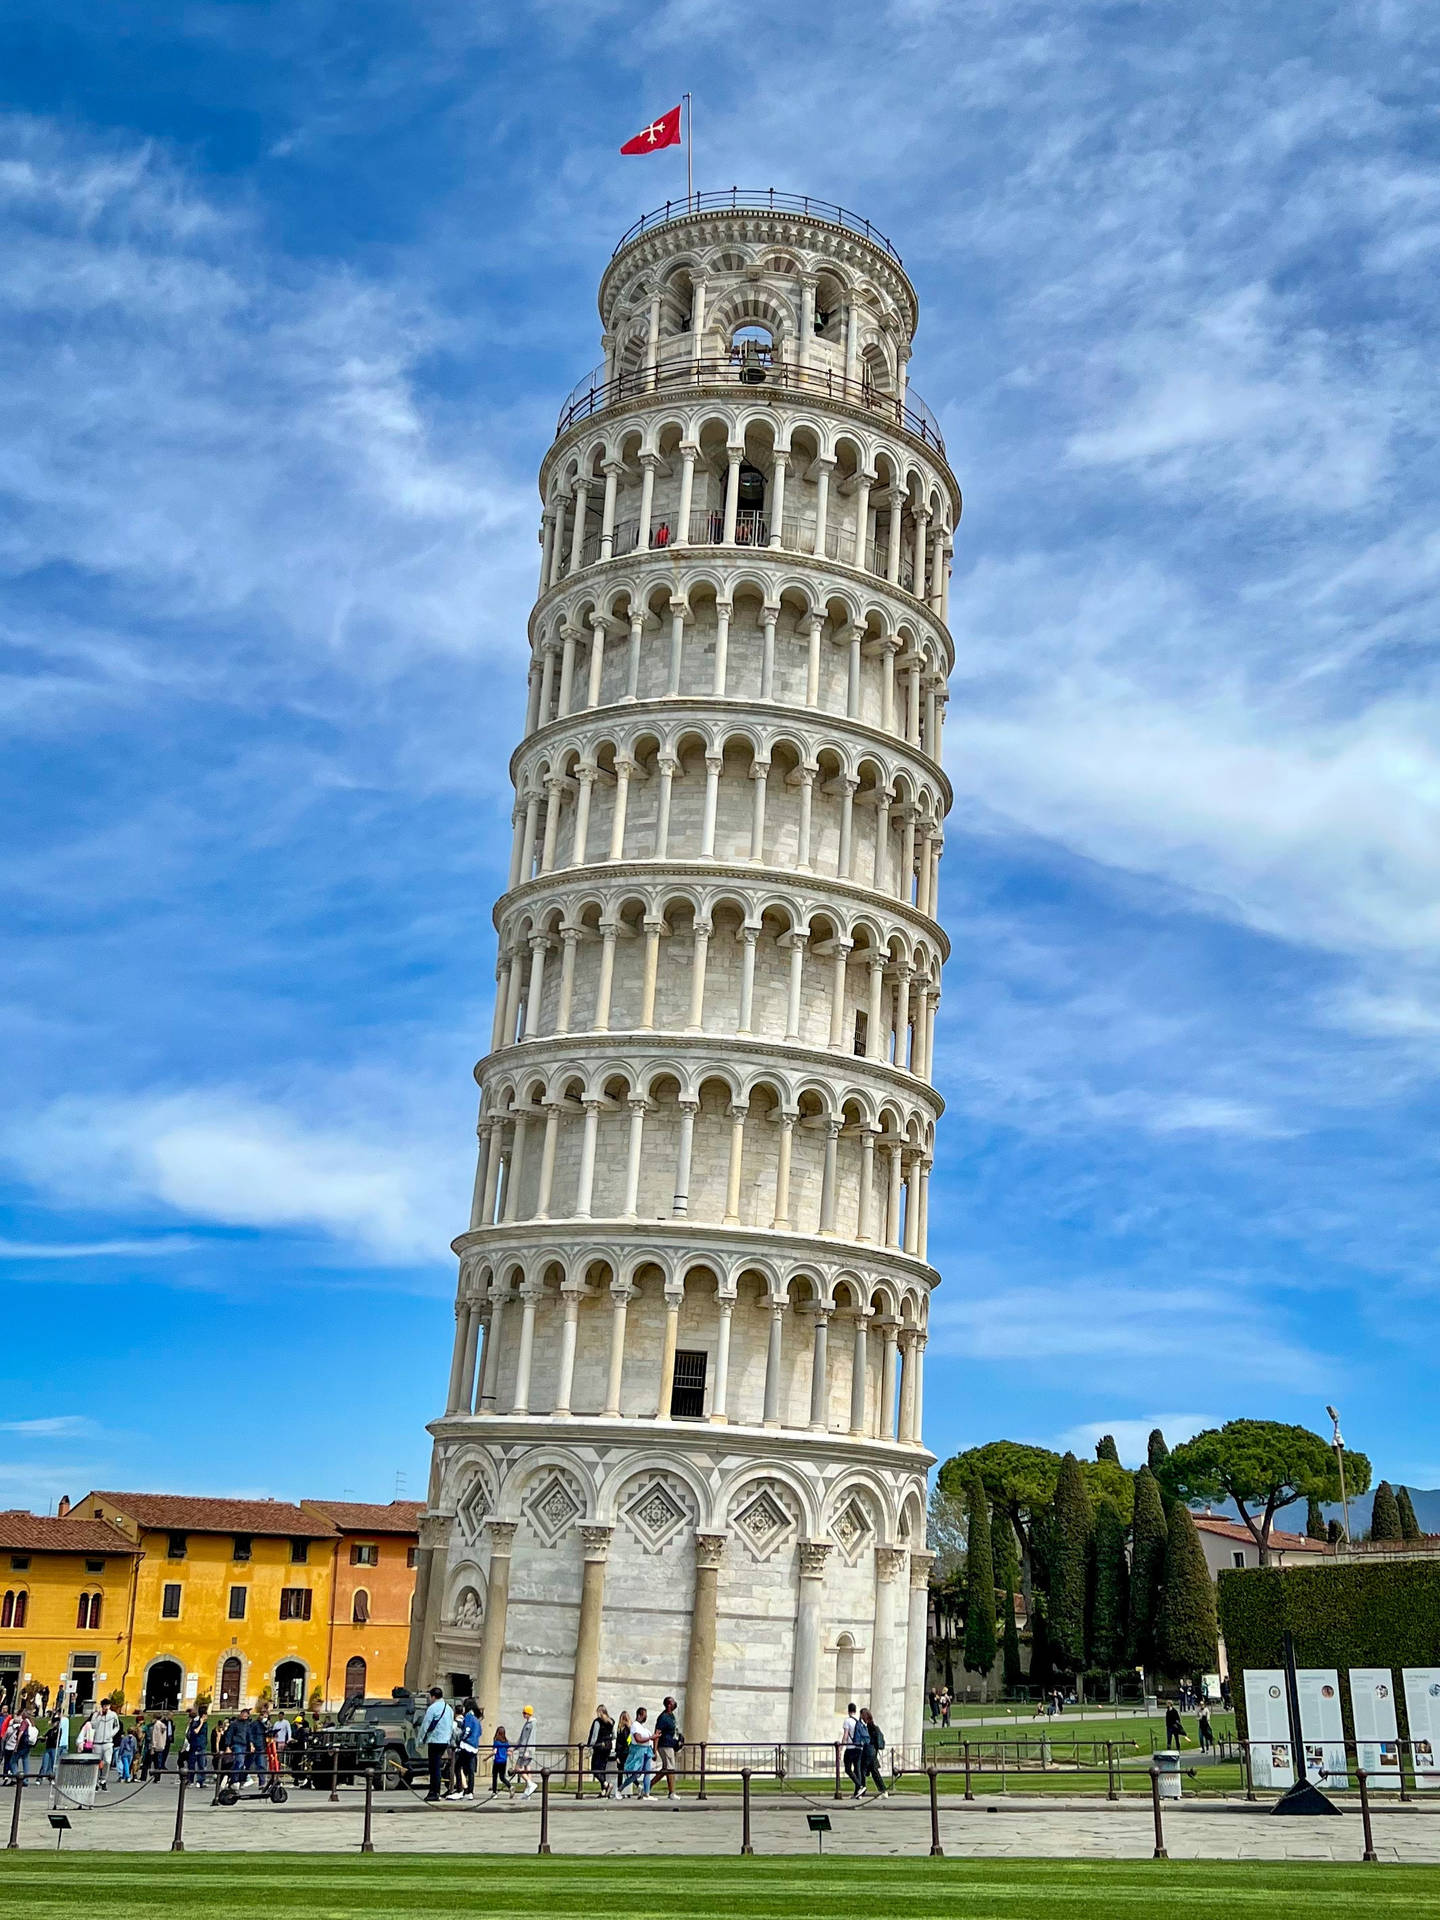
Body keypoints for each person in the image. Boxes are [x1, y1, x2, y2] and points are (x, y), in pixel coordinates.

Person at [418, 1687, 455, 1802]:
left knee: (434, 1768)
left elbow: (425, 1725)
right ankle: (436, 1791)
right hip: (445, 1741)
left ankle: (434, 1792)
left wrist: (420, 1740)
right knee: (437, 1766)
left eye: (430, 1696)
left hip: (434, 1740)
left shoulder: (432, 1708)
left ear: (433, 1696)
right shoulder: (449, 1708)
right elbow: (451, 1726)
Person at [449, 1699, 482, 1799]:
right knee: (470, 1770)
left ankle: (460, 1790)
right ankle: (470, 1792)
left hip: (466, 1745)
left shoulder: (468, 1716)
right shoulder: (476, 1719)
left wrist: (462, 1738)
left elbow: (467, 1730)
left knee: (458, 1766)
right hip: (474, 1746)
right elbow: (480, 1732)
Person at [654, 1696, 682, 1800]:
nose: (675, 1704)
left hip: (670, 1744)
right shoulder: (663, 1717)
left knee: (666, 1769)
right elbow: (657, 1733)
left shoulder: (671, 1716)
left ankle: (648, 1787)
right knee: (670, 1769)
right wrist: (654, 1750)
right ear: (669, 1704)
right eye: (673, 1702)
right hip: (665, 1745)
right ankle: (672, 1792)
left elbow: (674, 1730)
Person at [857, 1708, 888, 1799]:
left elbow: (867, 1739)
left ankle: (862, 1789)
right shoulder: (873, 1726)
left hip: (869, 1750)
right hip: (873, 1751)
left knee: (862, 1770)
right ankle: (883, 1790)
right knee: (874, 1772)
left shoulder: (868, 1727)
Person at [91, 1697, 120, 1789]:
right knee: (96, 1763)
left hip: (108, 1742)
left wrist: (111, 1734)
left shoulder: (113, 1715)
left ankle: (103, 1779)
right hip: (97, 1742)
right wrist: (100, 1716)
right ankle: (95, 1782)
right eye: (104, 1706)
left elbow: (117, 1726)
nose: (105, 1708)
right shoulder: (96, 1715)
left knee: (107, 1761)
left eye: (107, 1706)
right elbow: (93, 1725)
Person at [587, 1706, 614, 1797]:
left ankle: (605, 1784)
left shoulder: (597, 1722)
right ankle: (603, 1791)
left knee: (594, 1769)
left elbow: (594, 1737)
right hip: (608, 1747)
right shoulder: (611, 1721)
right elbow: (614, 1736)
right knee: (602, 1769)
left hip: (599, 1747)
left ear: (600, 1712)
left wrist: (590, 1747)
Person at [512, 1704, 537, 1797]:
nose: (523, 1714)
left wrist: (528, 1750)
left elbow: (531, 1738)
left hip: (526, 1751)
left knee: (518, 1768)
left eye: (524, 1713)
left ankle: (530, 1784)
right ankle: (528, 1792)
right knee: (527, 1768)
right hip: (524, 1749)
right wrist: (514, 1748)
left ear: (528, 1713)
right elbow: (522, 1738)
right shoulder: (527, 1723)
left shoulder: (532, 1724)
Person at [183, 1709, 208, 1786]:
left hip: (202, 1746)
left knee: (202, 1765)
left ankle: (200, 1781)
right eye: (206, 1715)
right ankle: (190, 1780)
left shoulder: (205, 1724)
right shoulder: (195, 1722)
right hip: (194, 1746)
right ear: (203, 1715)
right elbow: (195, 1732)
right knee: (192, 1764)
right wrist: (200, 1723)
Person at [841, 1703, 861, 1791]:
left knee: (848, 1769)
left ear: (848, 1710)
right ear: (855, 1711)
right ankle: (858, 1792)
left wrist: (841, 1749)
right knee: (857, 1769)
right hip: (858, 1748)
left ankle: (859, 1786)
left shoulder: (847, 1721)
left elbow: (845, 1735)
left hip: (850, 1748)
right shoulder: (858, 1721)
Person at [612, 1710, 631, 1798]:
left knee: (621, 1772)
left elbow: (619, 1744)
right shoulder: (629, 1729)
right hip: (627, 1752)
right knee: (627, 1772)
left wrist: (617, 1755)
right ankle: (638, 1786)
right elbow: (628, 1742)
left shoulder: (621, 1730)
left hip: (622, 1753)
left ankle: (619, 1791)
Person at [491, 1724, 510, 1795]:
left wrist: (486, 1758)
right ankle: (509, 1786)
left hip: (497, 1761)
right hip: (504, 1761)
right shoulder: (506, 1742)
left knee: (495, 1776)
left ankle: (494, 1792)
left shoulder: (496, 1741)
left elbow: (494, 1751)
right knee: (502, 1777)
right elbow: (508, 1751)